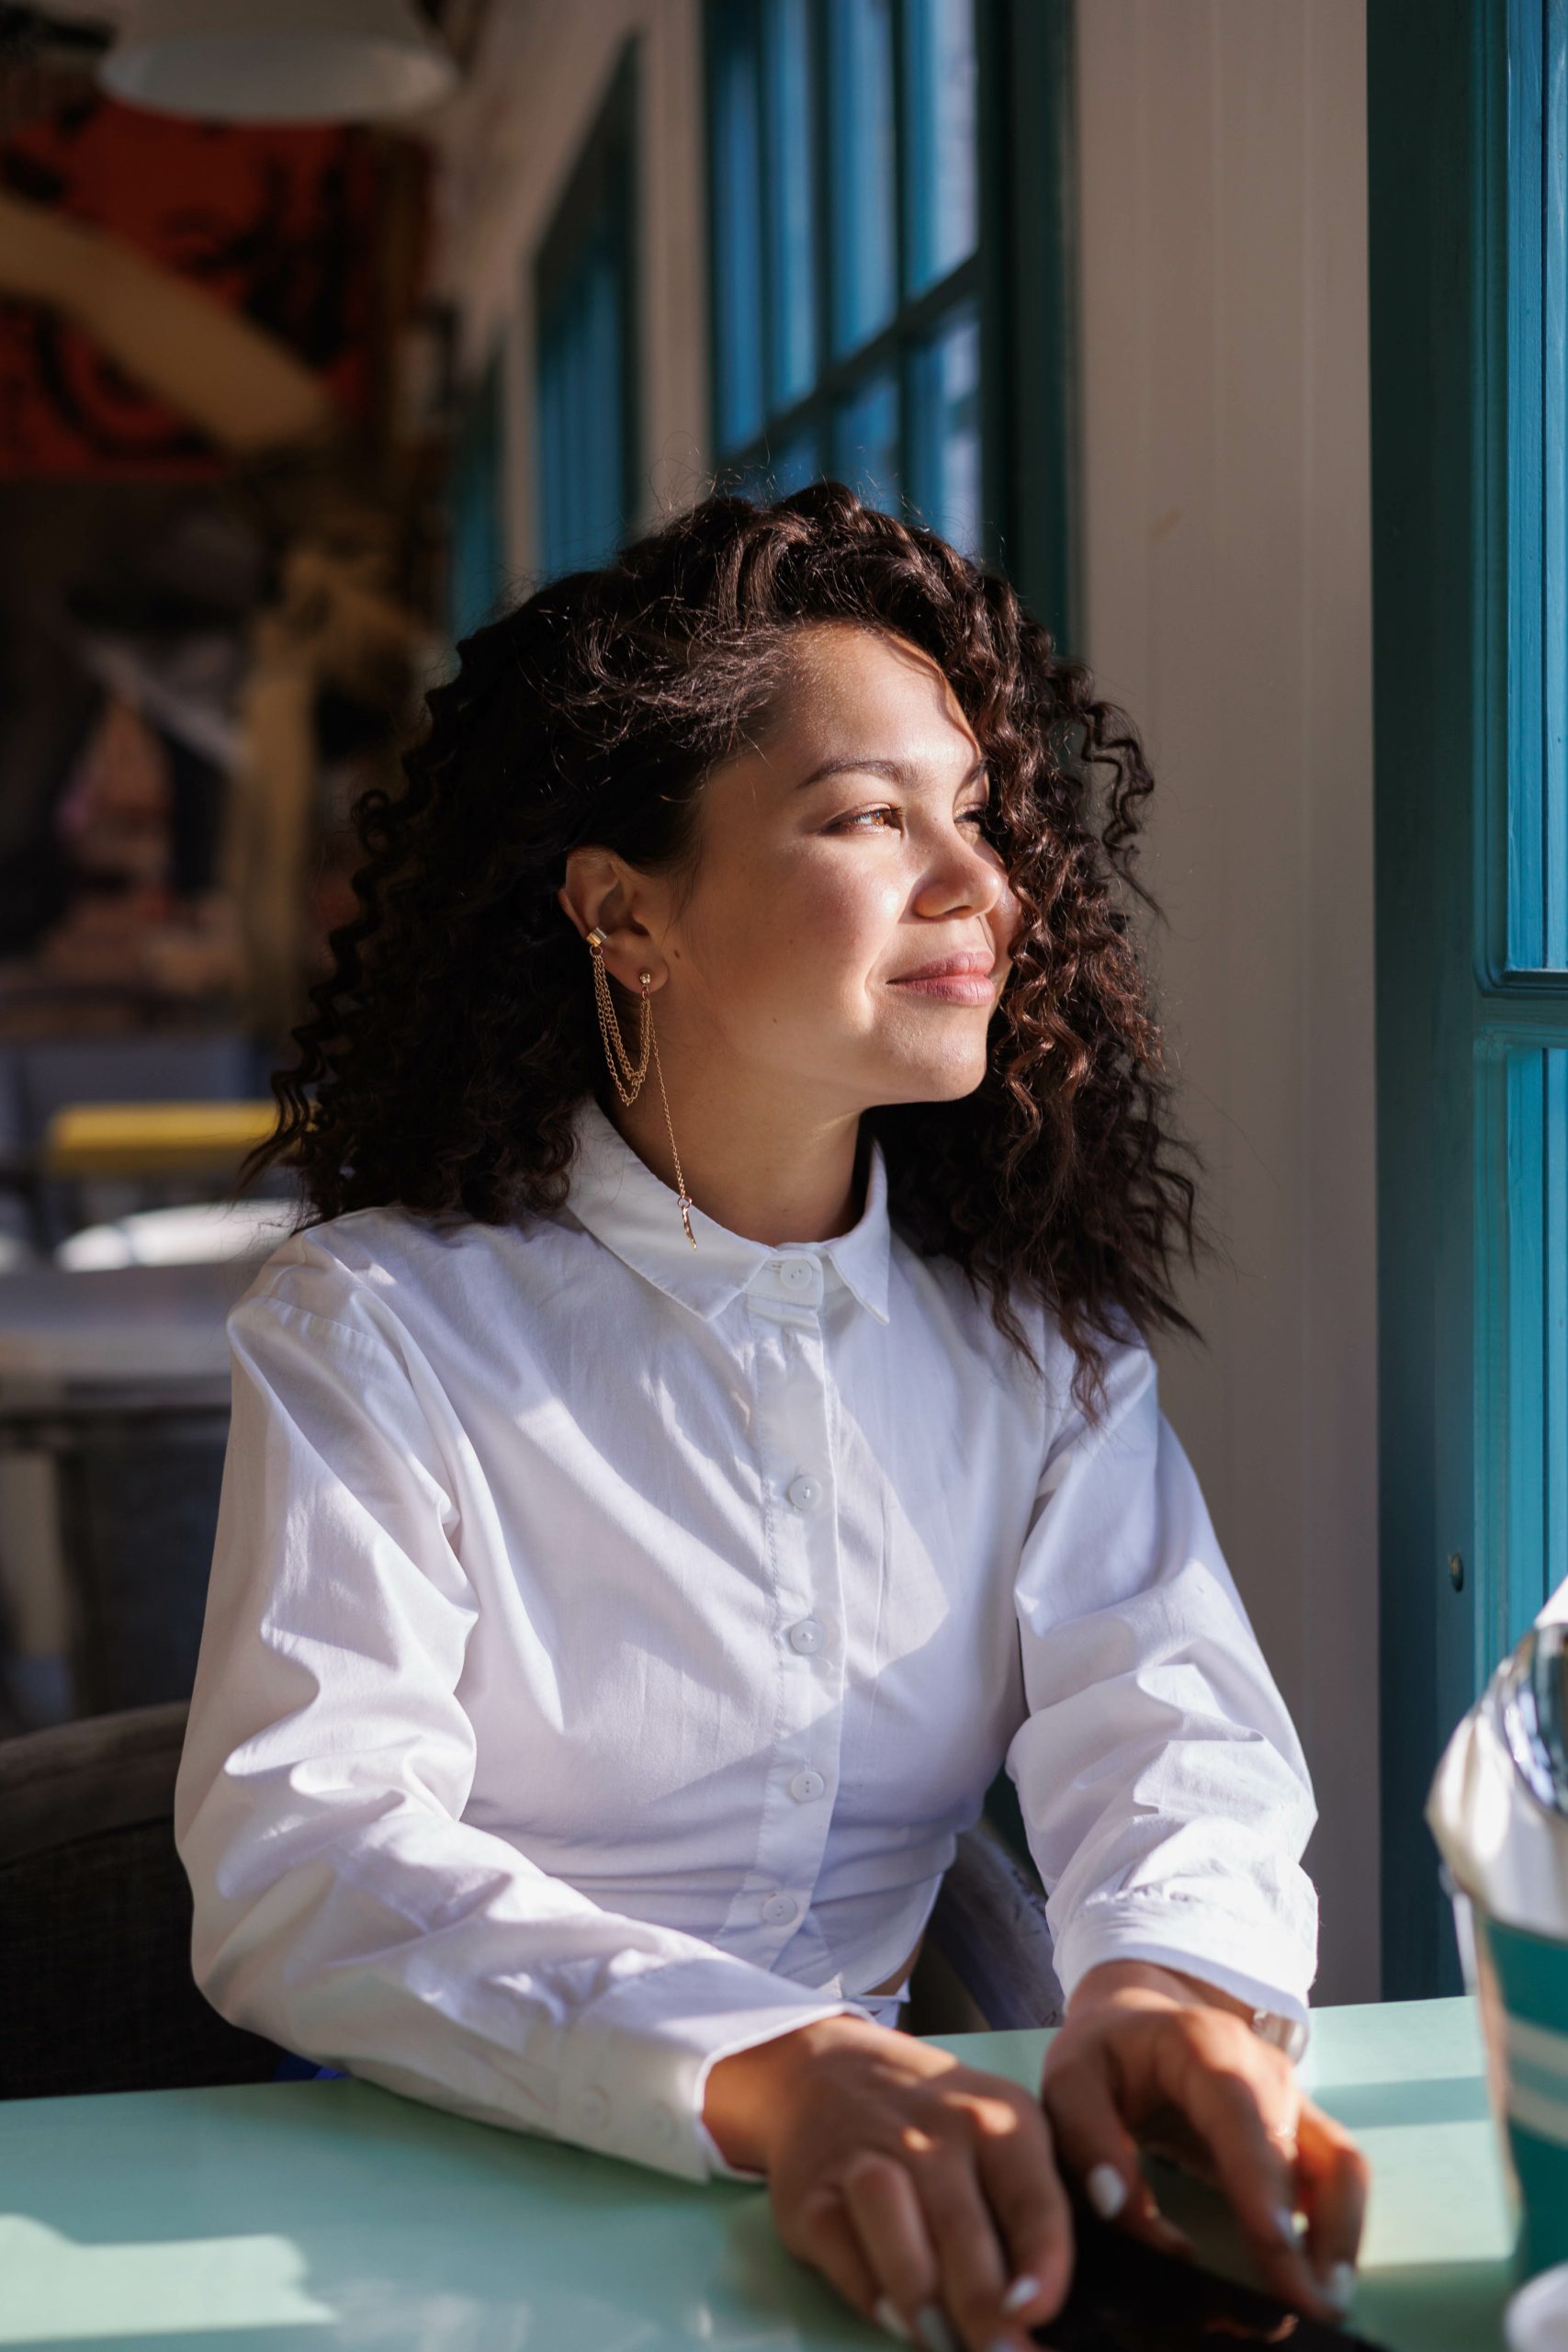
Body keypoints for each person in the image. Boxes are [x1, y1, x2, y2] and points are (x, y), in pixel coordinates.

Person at [175, 480, 1367, 2352]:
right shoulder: (381, 1324)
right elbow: (302, 1858)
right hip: (436, 2187)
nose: (975, 884)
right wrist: (773, 2063)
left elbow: (1175, 1741)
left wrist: (1170, 1985)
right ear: (622, 916)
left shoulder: (1033, 1350)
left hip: (911, 2182)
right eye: (866, 818)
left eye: (972, 814)